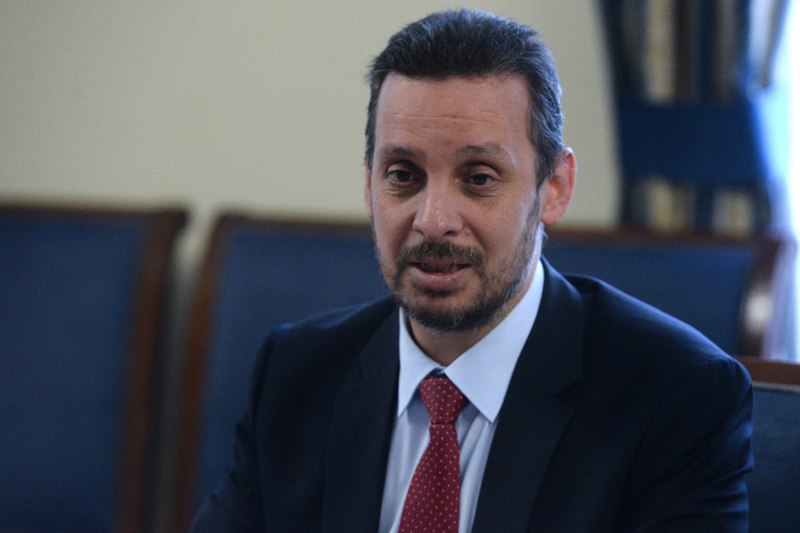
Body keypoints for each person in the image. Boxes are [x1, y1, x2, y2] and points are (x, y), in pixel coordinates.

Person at [191, 8, 753, 533]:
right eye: (403, 175)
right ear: (369, 185)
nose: (434, 222)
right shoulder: (295, 375)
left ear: (554, 188)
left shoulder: (675, 396)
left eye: (479, 178)